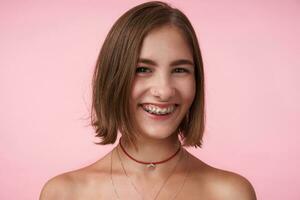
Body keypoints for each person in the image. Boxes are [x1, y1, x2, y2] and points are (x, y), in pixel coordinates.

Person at [39, 1, 256, 199]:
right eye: (142, 69)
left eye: (180, 70)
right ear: (113, 78)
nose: (164, 91)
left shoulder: (231, 193)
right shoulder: (64, 193)